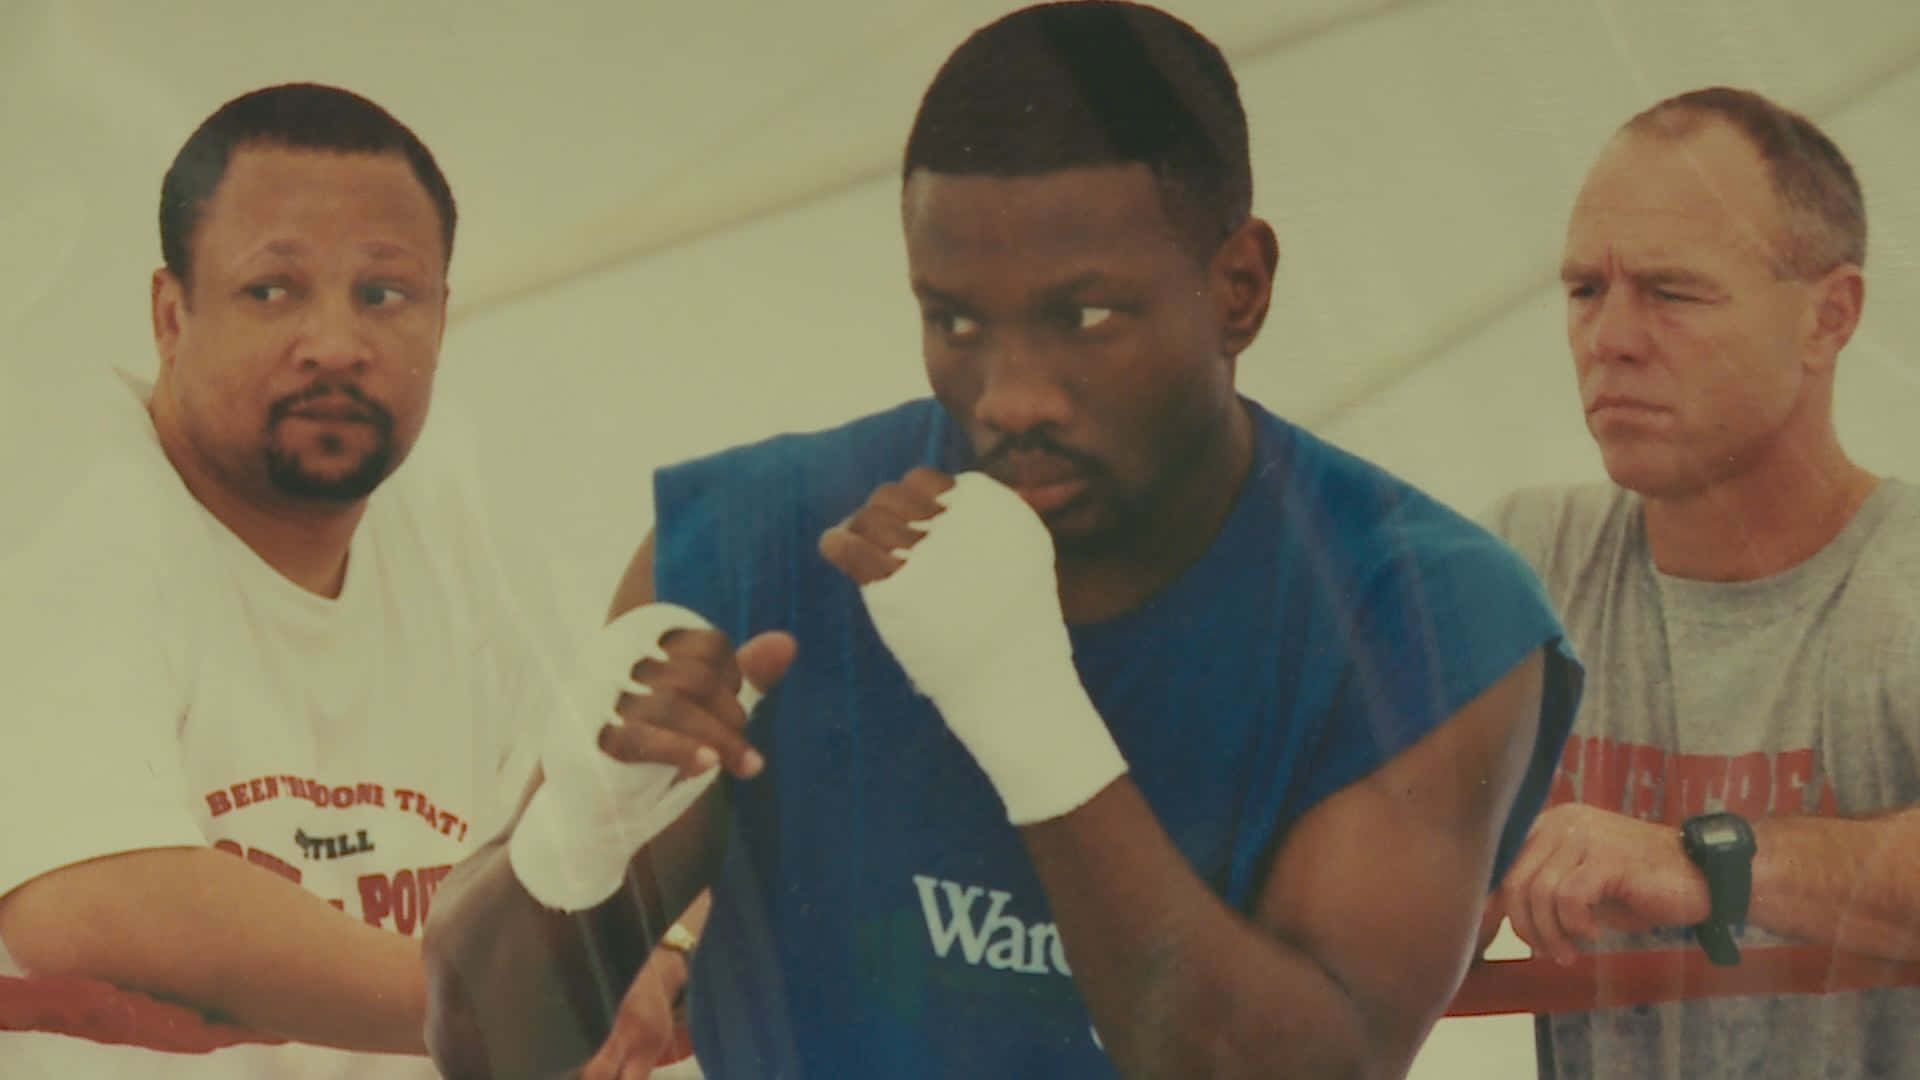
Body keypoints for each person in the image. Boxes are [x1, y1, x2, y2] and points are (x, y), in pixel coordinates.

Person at [423, 4, 1583, 1077]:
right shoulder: (761, 544)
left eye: (1085, 317)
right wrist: (572, 843)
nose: (1012, 394)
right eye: (956, 320)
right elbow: (486, 1048)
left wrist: (1029, 718)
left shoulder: (1428, 616)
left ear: (1240, 286)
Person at [0, 83, 694, 1078]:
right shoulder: (54, 509)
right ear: (169, 315)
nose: (335, 343)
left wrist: (665, 940)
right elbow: (92, 897)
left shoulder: (455, 536)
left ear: (442, 319)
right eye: (272, 290)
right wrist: (496, 1002)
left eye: (383, 295)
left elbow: (584, 845)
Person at [1481, 86, 1920, 1078]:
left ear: (1829, 316)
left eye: (1672, 293)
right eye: (1586, 290)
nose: (1612, 338)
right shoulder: (1523, 559)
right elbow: (1366, 893)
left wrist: (1703, 860)